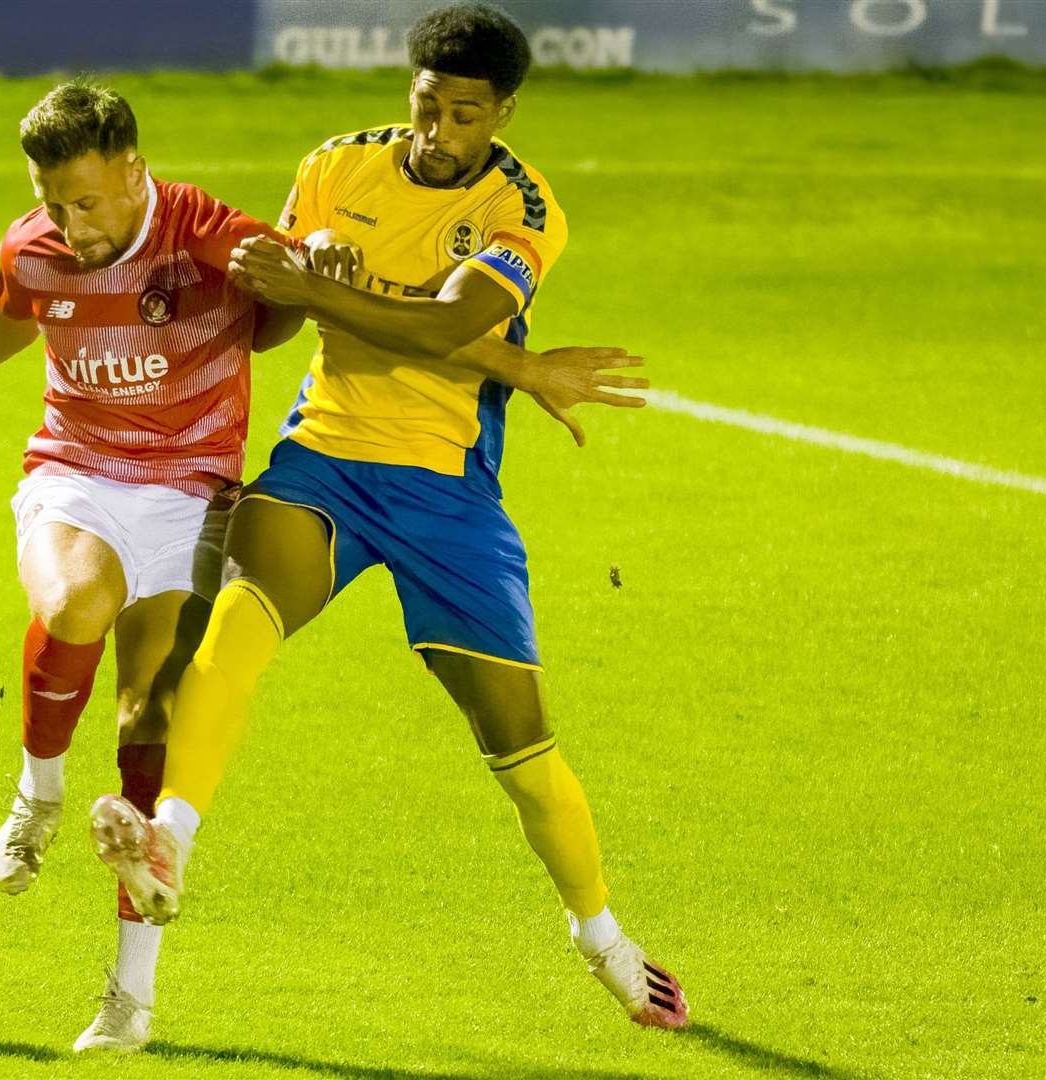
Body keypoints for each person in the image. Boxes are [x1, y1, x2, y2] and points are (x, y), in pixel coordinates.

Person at [88, 3, 689, 1031]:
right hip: (324, 454)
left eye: (464, 115)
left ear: (501, 112)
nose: (438, 132)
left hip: (447, 492)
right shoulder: (337, 165)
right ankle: (164, 859)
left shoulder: (524, 208)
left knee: (524, 751)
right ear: (406, 89)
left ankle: (603, 940)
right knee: (235, 624)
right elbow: (275, 317)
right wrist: (280, 286)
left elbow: (449, 324)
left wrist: (336, 291)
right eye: (425, 106)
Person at [0, 78, 308, 1053]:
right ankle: (36, 798)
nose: (68, 223)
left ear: (132, 170)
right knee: (77, 601)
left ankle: (129, 1000)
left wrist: (288, 279)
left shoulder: (205, 232)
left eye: (85, 200)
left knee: (146, 729)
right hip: (77, 473)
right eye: (51, 200)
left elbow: (285, 308)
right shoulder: (34, 243)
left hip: (193, 493)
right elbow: (13, 306)